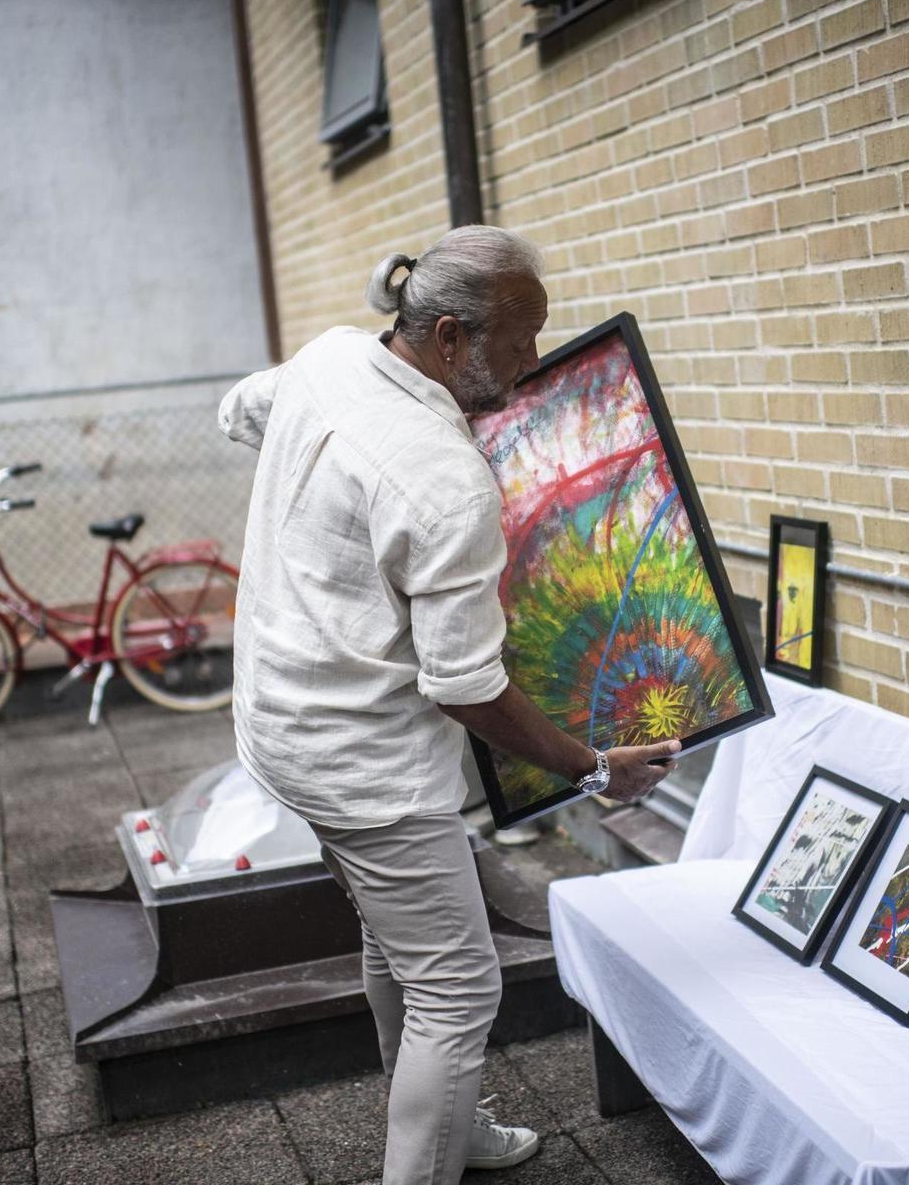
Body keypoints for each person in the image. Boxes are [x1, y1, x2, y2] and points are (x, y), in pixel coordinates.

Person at [219, 225, 679, 1185]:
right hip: (361, 763)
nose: (533, 361)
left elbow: (239, 412)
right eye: (518, 341)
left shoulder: (330, 359)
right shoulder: (445, 481)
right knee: (459, 989)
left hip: (279, 724)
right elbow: (466, 685)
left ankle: (449, 1125)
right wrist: (594, 768)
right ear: (445, 340)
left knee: (402, 940)